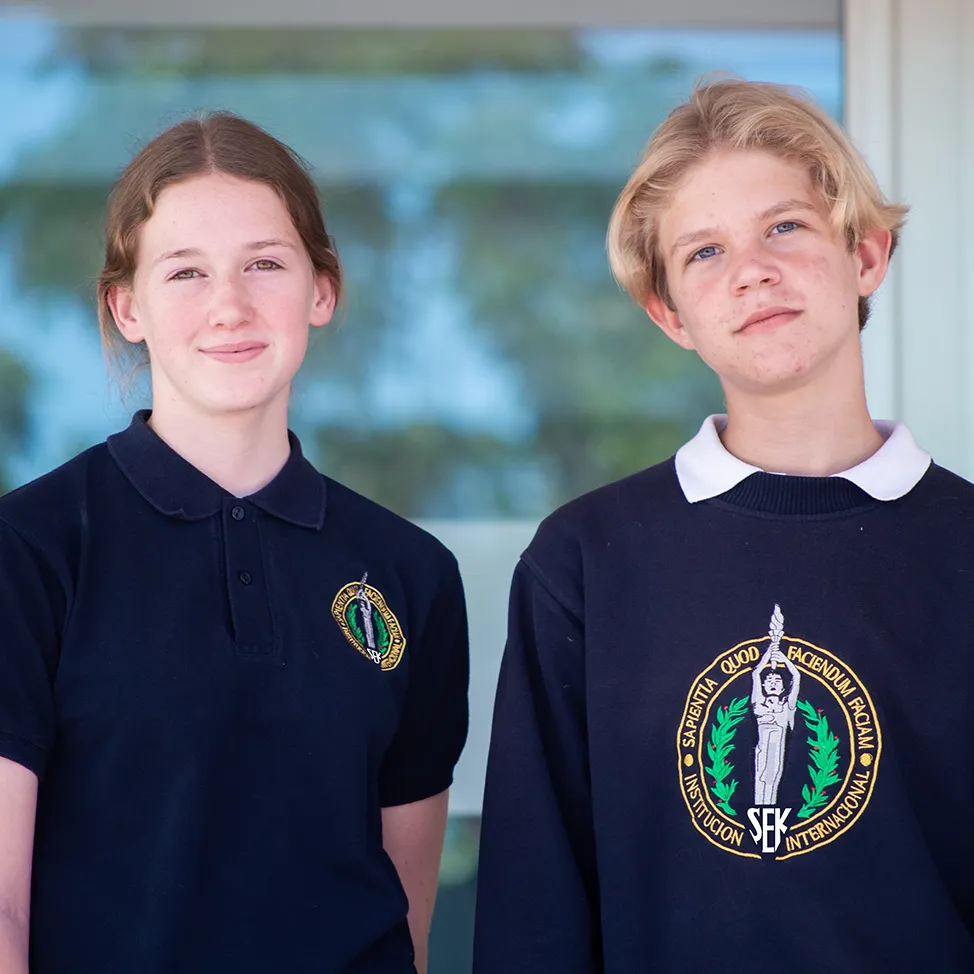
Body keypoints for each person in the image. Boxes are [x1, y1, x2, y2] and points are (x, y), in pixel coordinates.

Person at [473, 79, 974, 972]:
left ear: (865, 255)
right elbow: (532, 903)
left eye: (785, 226)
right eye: (704, 251)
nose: (752, 270)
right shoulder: (585, 563)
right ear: (670, 313)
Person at [0, 112, 468, 974]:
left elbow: (406, 916)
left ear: (321, 291)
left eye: (265, 264)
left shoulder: (412, 574)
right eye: (186, 271)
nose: (229, 306)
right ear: (127, 307)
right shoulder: (27, 552)